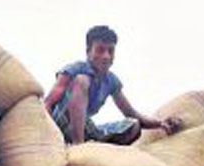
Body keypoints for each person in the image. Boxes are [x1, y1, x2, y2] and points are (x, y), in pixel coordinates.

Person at [44, 25, 180, 145]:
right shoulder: (74, 69)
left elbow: (130, 112)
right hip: (59, 124)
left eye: (111, 51)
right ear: (88, 52)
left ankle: (98, 149)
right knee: (82, 80)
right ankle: (78, 145)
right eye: (100, 50)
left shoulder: (111, 81)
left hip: (87, 128)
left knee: (134, 125)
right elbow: (48, 103)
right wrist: (47, 136)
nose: (106, 56)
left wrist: (160, 124)